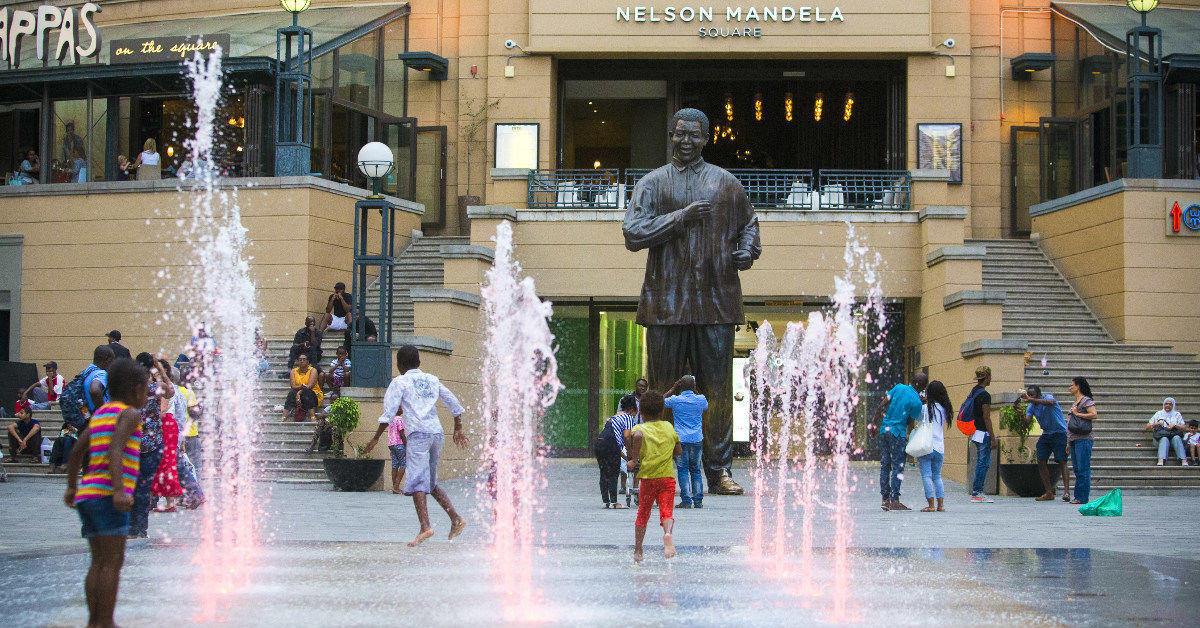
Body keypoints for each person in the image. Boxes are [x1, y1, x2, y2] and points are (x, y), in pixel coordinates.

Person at [622, 108, 761, 496]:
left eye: (693, 135)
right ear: (670, 136)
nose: (685, 141)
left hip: (715, 301)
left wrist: (747, 250)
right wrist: (680, 217)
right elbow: (632, 233)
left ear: (705, 138)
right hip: (666, 303)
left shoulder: (725, 183)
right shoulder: (653, 184)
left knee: (716, 390)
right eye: (679, 134)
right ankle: (660, 465)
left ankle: (718, 470)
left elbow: (749, 226)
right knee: (660, 392)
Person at [64, 357, 148, 628]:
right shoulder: (130, 414)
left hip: (88, 496)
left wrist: (72, 487)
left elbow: (77, 451)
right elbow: (115, 448)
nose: (147, 396)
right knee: (113, 562)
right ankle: (107, 622)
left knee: (98, 562)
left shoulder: (100, 414)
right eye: (146, 390)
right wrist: (120, 491)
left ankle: (93, 622)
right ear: (137, 390)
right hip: (108, 496)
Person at [376, 345, 468, 546]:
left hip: (418, 434)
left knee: (418, 480)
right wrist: (458, 427)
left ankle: (425, 527)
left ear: (399, 365)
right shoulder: (431, 379)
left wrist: (375, 438)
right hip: (436, 433)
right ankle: (456, 519)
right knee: (431, 482)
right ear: (419, 362)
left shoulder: (400, 381)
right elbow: (452, 401)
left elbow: (388, 413)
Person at [627, 390, 681, 562]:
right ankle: (667, 533)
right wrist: (667, 455)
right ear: (662, 411)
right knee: (666, 512)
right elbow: (678, 450)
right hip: (667, 478)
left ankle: (638, 550)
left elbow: (635, 435)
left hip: (648, 478)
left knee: (643, 513)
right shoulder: (668, 427)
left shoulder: (640, 428)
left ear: (641, 413)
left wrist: (634, 459)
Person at [870, 372, 927, 511]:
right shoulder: (917, 402)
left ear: (912, 380)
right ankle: (894, 500)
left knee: (885, 465)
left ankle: (885, 499)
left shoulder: (899, 387)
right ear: (923, 387)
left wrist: (873, 423)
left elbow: (882, 404)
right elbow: (910, 421)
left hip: (884, 430)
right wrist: (920, 402)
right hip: (898, 434)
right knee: (897, 466)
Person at [128, 353, 167, 538]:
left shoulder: (130, 390)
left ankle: (131, 527)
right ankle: (140, 528)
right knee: (144, 488)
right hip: (153, 445)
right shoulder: (155, 388)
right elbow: (170, 390)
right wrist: (159, 369)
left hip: (133, 444)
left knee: (132, 486)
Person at [1019, 384, 1070, 501]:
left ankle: (1067, 492)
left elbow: (1050, 403)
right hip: (1046, 434)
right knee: (1041, 460)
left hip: (1059, 432)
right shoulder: (1031, 406)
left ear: (1039, 394)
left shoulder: (1047, 397)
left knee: (1062, 461)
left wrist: (1032, 400)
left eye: (1032, 395)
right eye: (1029, 395)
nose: (1030, 397)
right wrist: (1021, 413)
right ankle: (1049, 492)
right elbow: (1027, 422)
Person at [665, 375, 708, 509]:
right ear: (694, 386)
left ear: (680, 386)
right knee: (696, 470)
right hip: (696, 439)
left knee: (682, 470)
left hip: (681, 439)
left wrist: (672, 389)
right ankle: (698, 500)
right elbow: (705, 406)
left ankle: (686, 500)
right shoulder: (701, 399)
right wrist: (695, 390)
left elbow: (659, 401)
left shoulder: (675, 400)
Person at [151, 359, 183, 512]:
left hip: (165, 426)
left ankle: (169, 501)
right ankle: (169, 501)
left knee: (164, 463)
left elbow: (162, 412)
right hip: (169, 426)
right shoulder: (169, 386)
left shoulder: (163, 388)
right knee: (166, 462)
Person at [594, 397, 636, 509]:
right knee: (613, 473)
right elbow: (626, 436)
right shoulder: (628, 417)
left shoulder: (612, 418)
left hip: (599, 443)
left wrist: (626, 457)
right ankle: (614, 502)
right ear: (632, 410)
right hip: (611, 444)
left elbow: (615, 445)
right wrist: (630, 454)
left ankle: (605, 502)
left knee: (604, 473)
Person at [916, 380, 952, 512]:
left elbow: (917, 419)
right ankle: (940, 505)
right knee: (937, 476)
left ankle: (931, 505)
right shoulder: (945, 409)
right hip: (939, 447)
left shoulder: (924, 408)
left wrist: (921, 401)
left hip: (926, 446)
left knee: (926, 476)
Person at [1066, 377, 1097, 504]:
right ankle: (1078, 496)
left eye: (1072, 385)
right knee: (1077, 468)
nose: (1070, 387)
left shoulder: (1086, 400)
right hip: (1074, 439)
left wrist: (1078, 414)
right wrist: (1068, 442)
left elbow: (1094, 414)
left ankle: (1082, 497)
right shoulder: (1076, 402)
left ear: (1078, 386)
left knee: (1083, 468)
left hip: (1083, 439)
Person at [967, 366, 996, 503]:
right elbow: (986, 417)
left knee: (981, 461)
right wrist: (993, 437)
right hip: (983, 433)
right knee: (983, 463)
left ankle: (977, 491)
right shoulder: (985, 395)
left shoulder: (974, 391)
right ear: (987, 377)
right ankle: (977, 493)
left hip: (975, 432)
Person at [364, 406, 406, 494]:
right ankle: (396, 486)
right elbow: (402, 433)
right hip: (399, 444)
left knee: (395, 465)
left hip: (391, 444)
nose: (402, 409)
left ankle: (394, 487)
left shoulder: (390, 419)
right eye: (400, 408)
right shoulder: (399, 419)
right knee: (403, 464)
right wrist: (407, 445)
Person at [1146, 397, 1187, 466]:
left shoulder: (1177, 414)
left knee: (1177, 438)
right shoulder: (1158, 414)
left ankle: (1183, 460)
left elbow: (1184, 428)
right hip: (1160, 438)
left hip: (1173, 437)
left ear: (1173, 405)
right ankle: (1161, 460)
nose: (1168, 406)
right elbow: (1147, 427)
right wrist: (1157, 423)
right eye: (1166, 404)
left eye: (1170, 404)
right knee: (1164, 439)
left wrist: (1175, 425)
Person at [283, 353, 322, 422]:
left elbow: (309, 386)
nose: (302, 361)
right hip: (300, 395)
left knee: (308, 393)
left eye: (304, 359)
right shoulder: (293, 371)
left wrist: (299, 393)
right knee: (291, 393)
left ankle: (312, 417)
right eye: (300, 360)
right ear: (298, 361)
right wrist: (299, 390)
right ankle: (284, 416)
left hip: (313, 395)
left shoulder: (313, 370)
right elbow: (293, 386)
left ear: (308, 361)